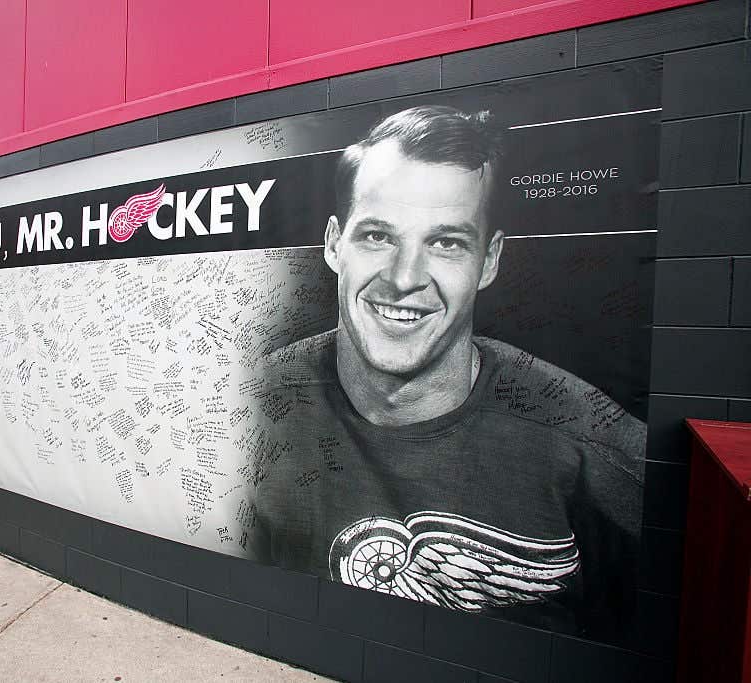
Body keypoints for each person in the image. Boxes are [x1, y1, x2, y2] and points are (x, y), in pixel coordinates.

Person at [250, 105, 646, 642]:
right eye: (377, 237)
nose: (405, 278)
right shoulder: (247, 405)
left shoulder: (591, 442)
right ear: (333, 245)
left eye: (446, 243)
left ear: (489, 261)